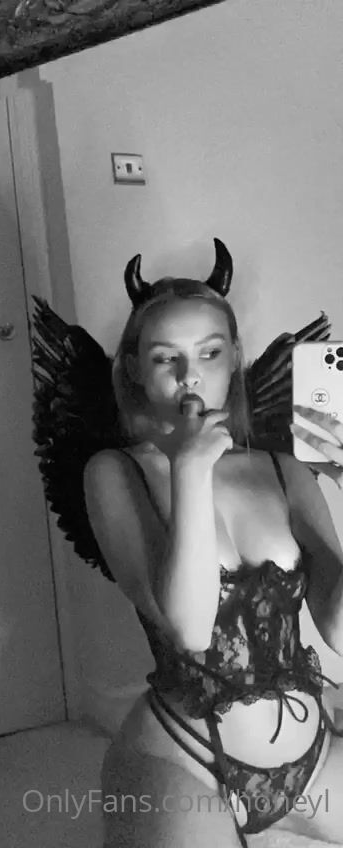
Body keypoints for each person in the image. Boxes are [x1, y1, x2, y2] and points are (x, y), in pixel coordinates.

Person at [82, 247, 343, 847]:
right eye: (165, 357)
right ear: (135, 371)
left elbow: (338, 629)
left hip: (311, 752)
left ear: (235, 359)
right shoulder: (113, 473)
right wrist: (190, 470)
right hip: (186, 755)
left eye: (209, 352)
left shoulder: (284, 470)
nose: (189, 375)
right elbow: (191, 629)